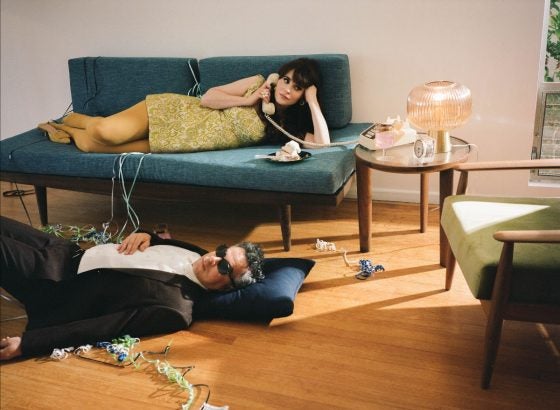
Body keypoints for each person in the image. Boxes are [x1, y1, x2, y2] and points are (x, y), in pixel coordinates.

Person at [0, 216, 264, 361]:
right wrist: (146, 234)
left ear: (225, 289)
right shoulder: (196, 252)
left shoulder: (175, 308)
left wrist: (29, 344)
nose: (214, 259)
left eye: (225, 267)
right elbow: (156, 242)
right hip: (67, 252)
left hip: (56, 283)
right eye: (222, 251)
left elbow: (104, 327)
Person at [38, 58, 330, 153]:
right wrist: (248, 100)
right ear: (279, 77)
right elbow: (207, 98)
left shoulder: (288, 126)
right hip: (174, 112)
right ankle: (76, 119)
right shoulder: (257, 83)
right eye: (287, 80)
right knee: (104, 132)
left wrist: (313, 100)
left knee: (93, 146)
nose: (287, 89)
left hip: (175, 142)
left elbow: (323, 143)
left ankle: (64, 127)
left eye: (297, 87)